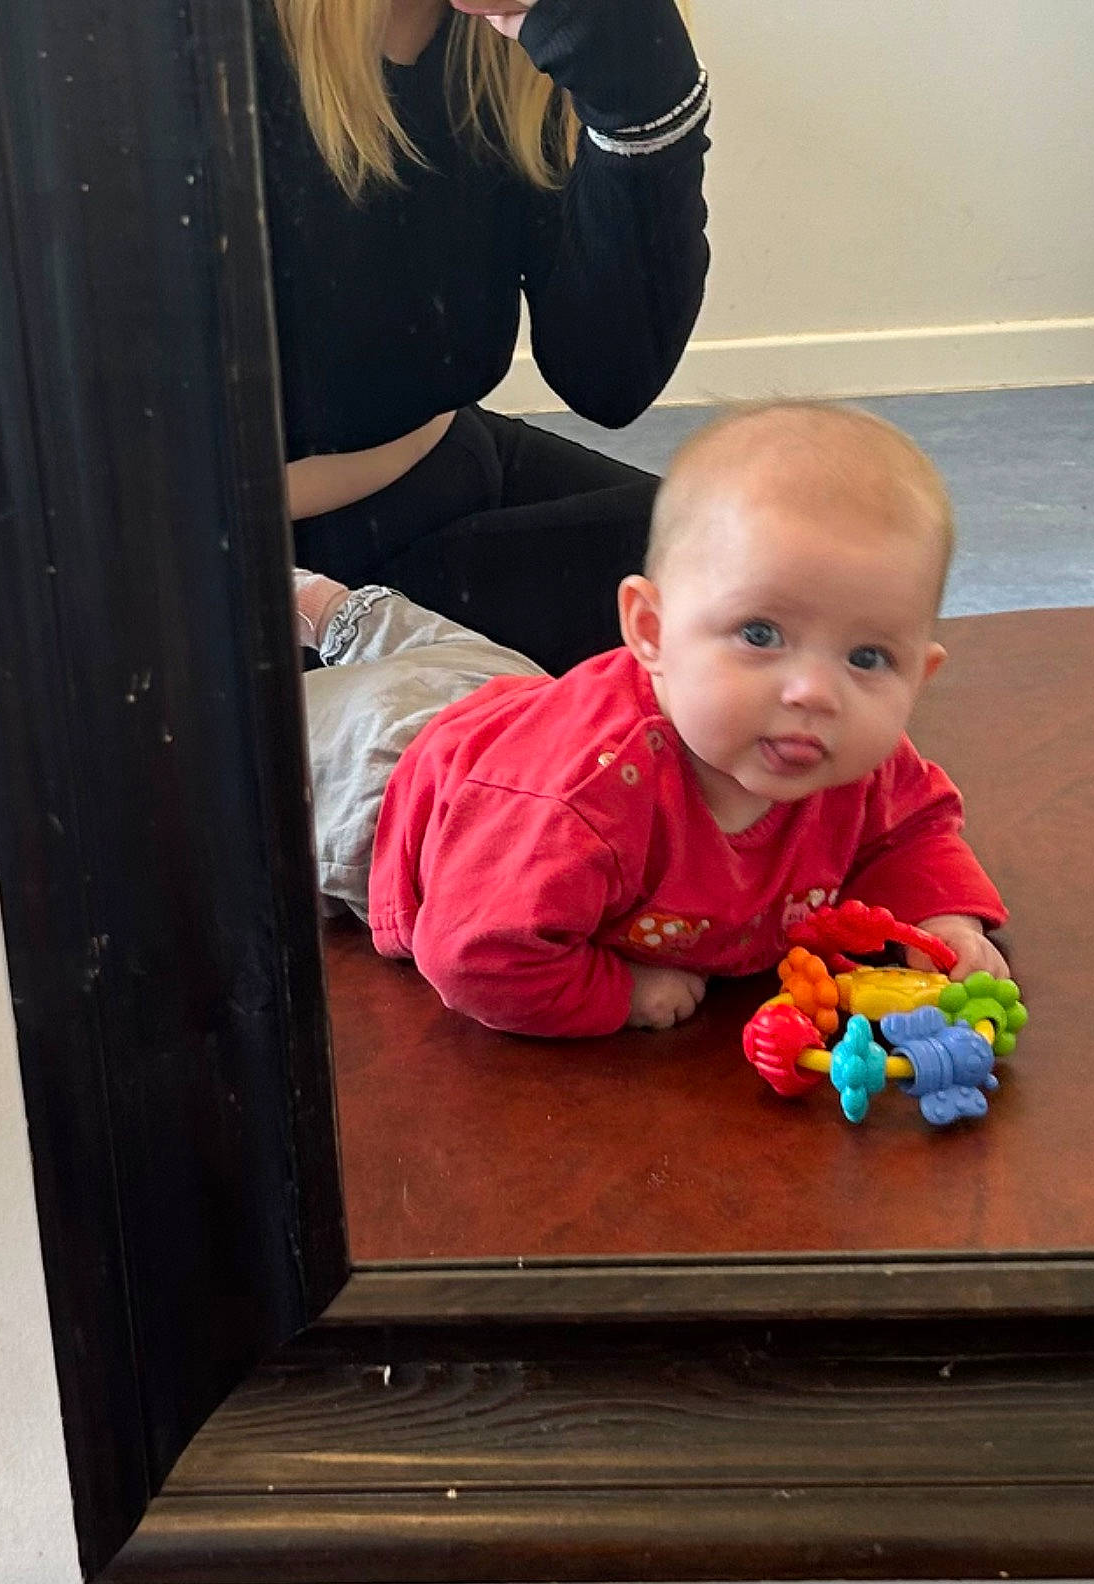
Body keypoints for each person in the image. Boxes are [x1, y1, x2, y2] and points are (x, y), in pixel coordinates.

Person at [301, 402, 1010, 1035]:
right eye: (760, 634)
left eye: (867, 657)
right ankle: (281, 618)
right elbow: (474, 954)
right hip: (384, 779)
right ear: (648, 631)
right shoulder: (579, 808)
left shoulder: (850, 753)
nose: (814, 692)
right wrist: (621, 992)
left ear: (920, 676)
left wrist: (942, 918)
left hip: (513, 705)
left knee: (458, 663)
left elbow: (912, 831)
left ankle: (330, 606)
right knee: (232, 759)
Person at [255, 0, 711, 673]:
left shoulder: (507, 44)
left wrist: (640, 101)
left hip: (443, 463)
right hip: (246, 571)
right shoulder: (192, 47)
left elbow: (610, 375)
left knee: (778, 585)